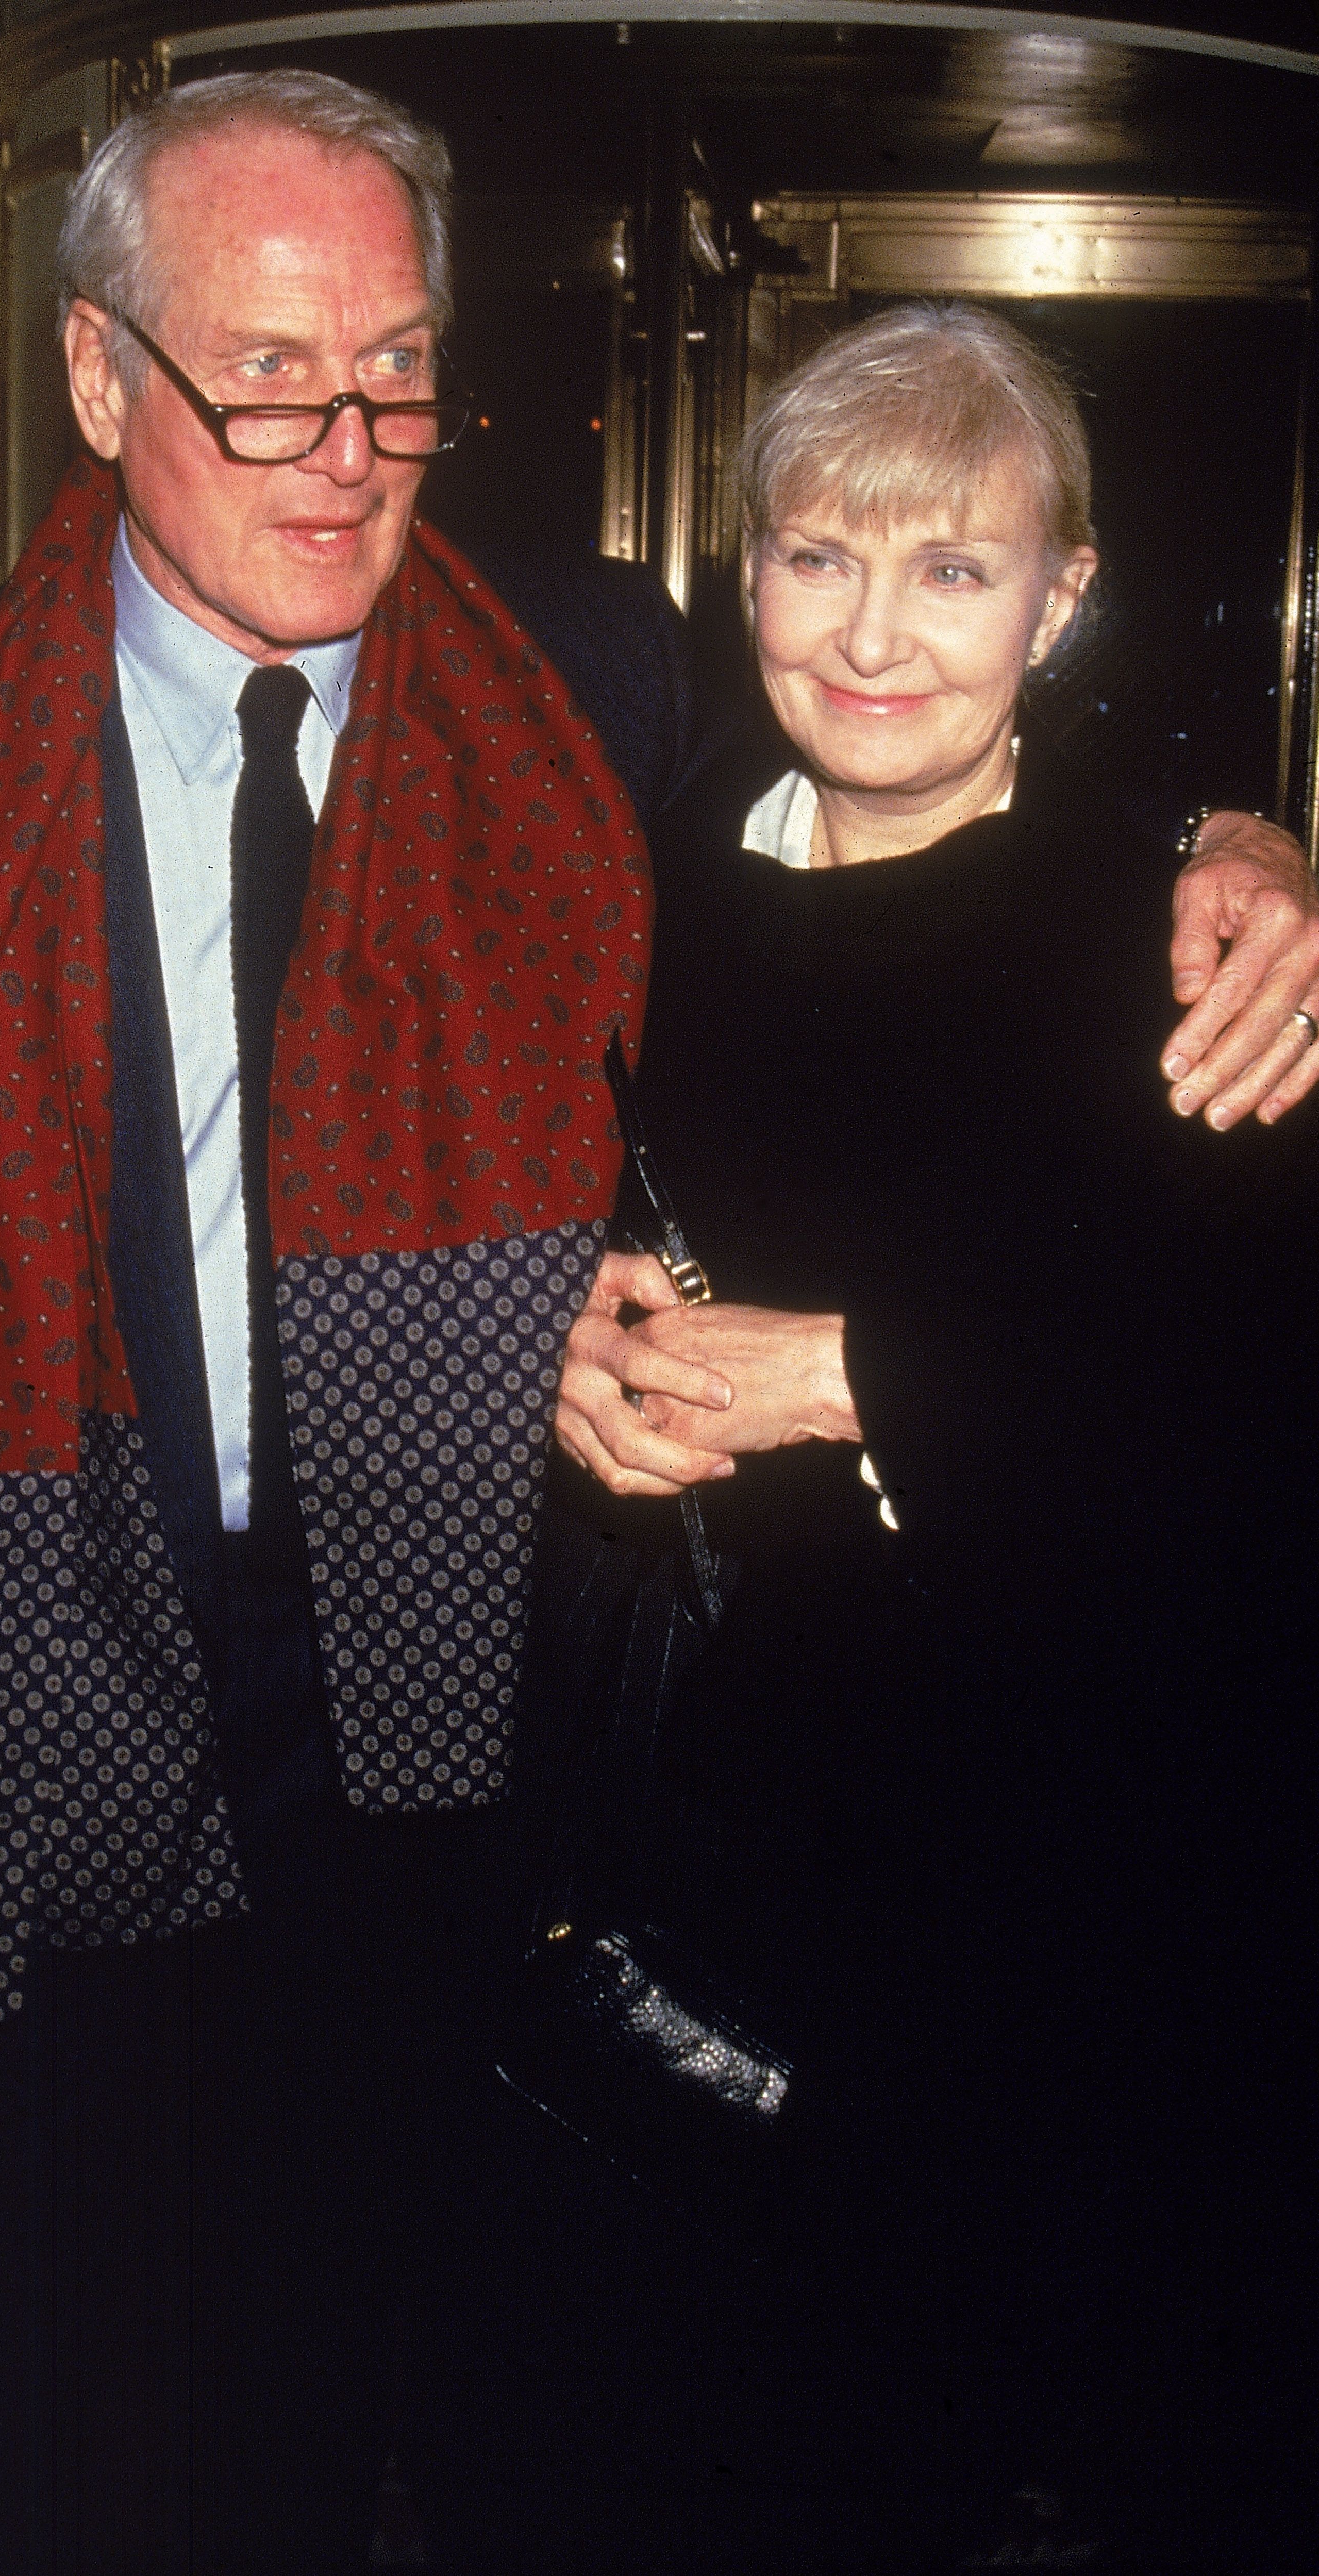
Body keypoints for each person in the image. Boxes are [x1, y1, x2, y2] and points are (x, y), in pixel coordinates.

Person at [0, 70, 1310, 2572]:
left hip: (487, 1696)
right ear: (101, 381)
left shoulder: (582, 678)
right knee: (59, 2365)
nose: (346, 454)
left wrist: (1237, 839)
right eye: (266, 379)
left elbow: (938, 786)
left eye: (400, 375)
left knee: (430, 2344)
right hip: (56, 1648)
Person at [549, 300, 1315, 2572]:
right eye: (815, 560)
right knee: (780, 2451)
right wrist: (561, 1364)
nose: (871, 635)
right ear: (740, 574)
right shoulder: (629, 884)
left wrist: (851, 1372)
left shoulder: (1191, 930)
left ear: (1056, 596)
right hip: (749, 1828)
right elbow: (509, 1216)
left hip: (1110, 1854)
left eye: (952, 572)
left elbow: (1253, 1408)